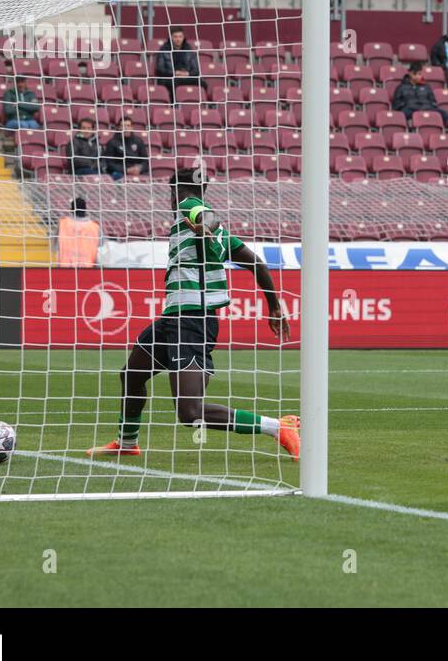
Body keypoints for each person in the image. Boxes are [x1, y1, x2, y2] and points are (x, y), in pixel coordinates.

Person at [87, 169, 297, 458]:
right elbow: (257, 264)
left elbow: (207, 216)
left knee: (189, 413)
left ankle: (279, 427)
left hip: (192, 320)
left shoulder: (188, 206)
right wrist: (274, 305)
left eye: (171, 193)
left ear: (175, 192)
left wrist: (205, 225)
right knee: (132, 374)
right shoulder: (223, 239)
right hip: (173, 320)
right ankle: (126, 442)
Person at [58, 196, 103, 267]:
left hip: (65, 268)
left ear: (71, 210)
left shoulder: (62, 224)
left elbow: (55, 247)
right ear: (85, 209)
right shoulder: (95, 227)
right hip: (88, 268)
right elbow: (101, 251)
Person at [102, 115, 150, 180]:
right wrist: (126, 170)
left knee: (148, 178)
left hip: (136, 172)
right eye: (123, 126)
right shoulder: (111, 143)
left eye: (128, 126)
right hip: (119, 172)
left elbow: (145, 160)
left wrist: (139, 168)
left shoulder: (138, 141)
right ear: (119, 128)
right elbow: (109, 163)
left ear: (132, 128)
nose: (126, 128)